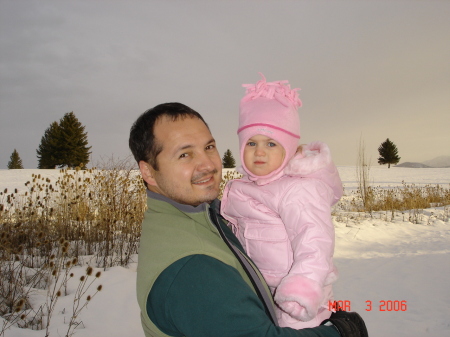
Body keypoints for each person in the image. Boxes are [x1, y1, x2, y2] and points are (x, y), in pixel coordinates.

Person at [129, 102, 368, 337]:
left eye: (209, 147)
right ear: (148, 171)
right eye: (185, 154)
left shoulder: (197, 215)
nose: (208, 164)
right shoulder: (191, 268)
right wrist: (342, 333)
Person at [220, 74, 343, 329]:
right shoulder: (247, 187)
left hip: (297, 298)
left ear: (288, 147)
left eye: (271, 143)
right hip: (263, 292)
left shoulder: (298, 189)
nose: (260, 151)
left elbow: (315, 239)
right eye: (251, 142)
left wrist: (303, 287)